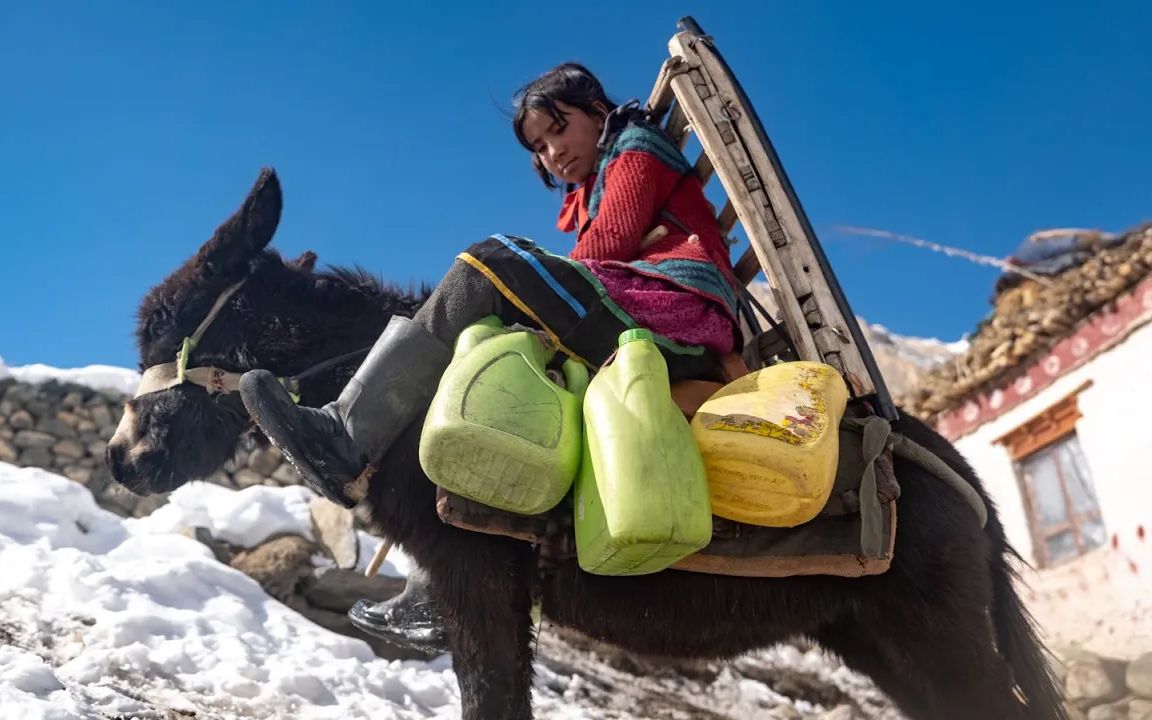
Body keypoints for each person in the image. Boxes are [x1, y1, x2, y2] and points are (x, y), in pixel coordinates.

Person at [238, 63, 743, 654]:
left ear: (597, 112)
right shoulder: (595, 182)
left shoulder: (637, 148)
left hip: (673, 315)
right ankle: (441, 588)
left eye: (560, 129)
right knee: (488, 365)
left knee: (490, 262)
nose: (553, 152)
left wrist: (523, 282)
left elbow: (604, 249)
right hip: (639, 312)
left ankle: (346, 437)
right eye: (540, 146)